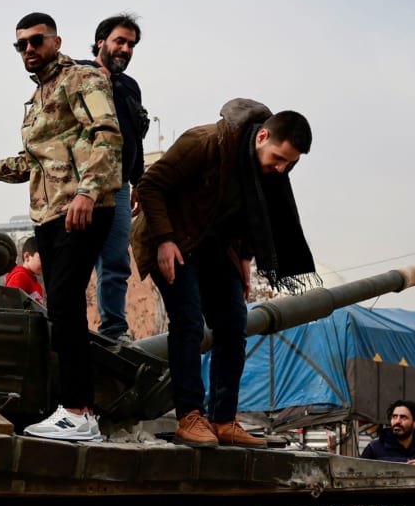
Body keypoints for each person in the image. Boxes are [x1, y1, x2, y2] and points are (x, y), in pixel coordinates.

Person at [0, 12, 123, 443]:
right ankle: (78, 409)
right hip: (48, 215)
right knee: (62, 309)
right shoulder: (38, 98)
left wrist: (88, 191)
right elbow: (27, 164)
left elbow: (107, 134)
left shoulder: (81, 79)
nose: (29, 50)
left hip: (80, 207)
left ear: (56, 41)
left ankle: (78, 412)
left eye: (37, 41)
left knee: (67, 303)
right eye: (21, 45)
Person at [134, 98, 315, 448]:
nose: (281, 169)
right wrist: (165, 240)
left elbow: (251, 216)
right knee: (188, 322)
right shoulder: (205, 142)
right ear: (262, 137)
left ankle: (223, 419)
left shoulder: (267, 170)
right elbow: (151, 184)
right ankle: (189, 416)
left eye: (289, 163)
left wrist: (245, 259)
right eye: (279, 158)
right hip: (174, 239)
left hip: (218, 249)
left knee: (233, 325)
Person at [78, 13, 151, 342]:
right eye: (119, 41)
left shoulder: (130, 86)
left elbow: (136, 136)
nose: (125, 48)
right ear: (100, 42)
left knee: (116, 261)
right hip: (80, 184)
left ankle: (113, 330)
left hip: (119, 186)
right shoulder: (79, 73)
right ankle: (68, 327)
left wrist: (139, 181)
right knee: (75, 260)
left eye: (131, 44)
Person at [3, 235, 45, 306]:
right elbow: (10, 306)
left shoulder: (35, 282)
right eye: (42, 258)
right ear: (27, 256)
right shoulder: (20, 277)